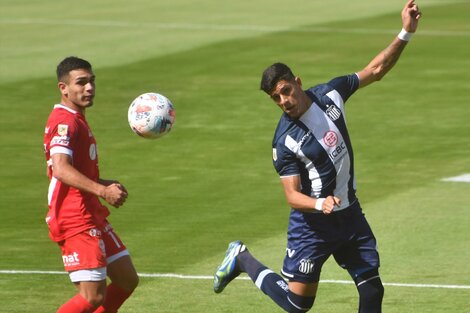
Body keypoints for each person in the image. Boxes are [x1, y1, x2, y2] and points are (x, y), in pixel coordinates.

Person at [213, 1, 421, 312]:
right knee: (298, 306)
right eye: (275, 98)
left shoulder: (331, 94)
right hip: (312, 228)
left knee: (372, 290)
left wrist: (406, 31)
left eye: (285, 90)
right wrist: (319, 204)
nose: (284, 101)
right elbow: (292, 196)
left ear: (297, 82)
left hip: (349, 213)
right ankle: (242, 258)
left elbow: (376, 69)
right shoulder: (285, 142)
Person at [43, 56, 139, 313]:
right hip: (75, 218)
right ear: (63, 88)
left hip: (90, 212)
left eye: (92, 81)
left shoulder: (76, 118)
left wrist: (104, 183)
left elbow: (72, 170)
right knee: (92, 296)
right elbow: (61, 169)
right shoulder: (65, 122)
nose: (89, 88)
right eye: (81, 83)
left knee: (127, 279)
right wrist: (102, 190)